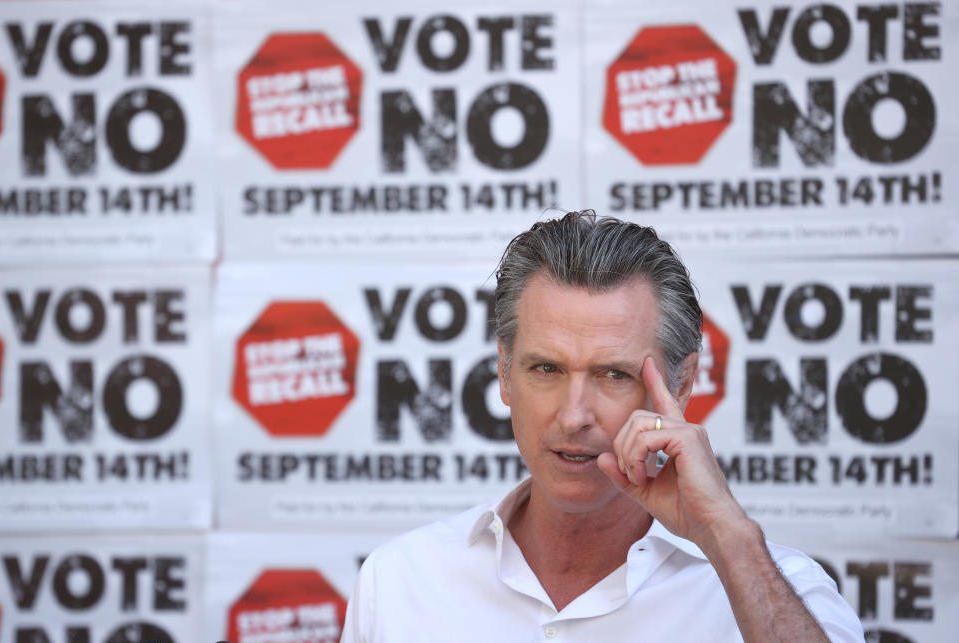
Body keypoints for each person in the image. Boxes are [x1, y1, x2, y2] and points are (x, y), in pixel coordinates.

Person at [340, 211, 864, 642]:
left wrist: (727, 537)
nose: (573, 417)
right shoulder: (397, 581)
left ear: (680, 386)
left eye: (613, 374)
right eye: (546, 369)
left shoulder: (776, 590)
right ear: (504, 373)